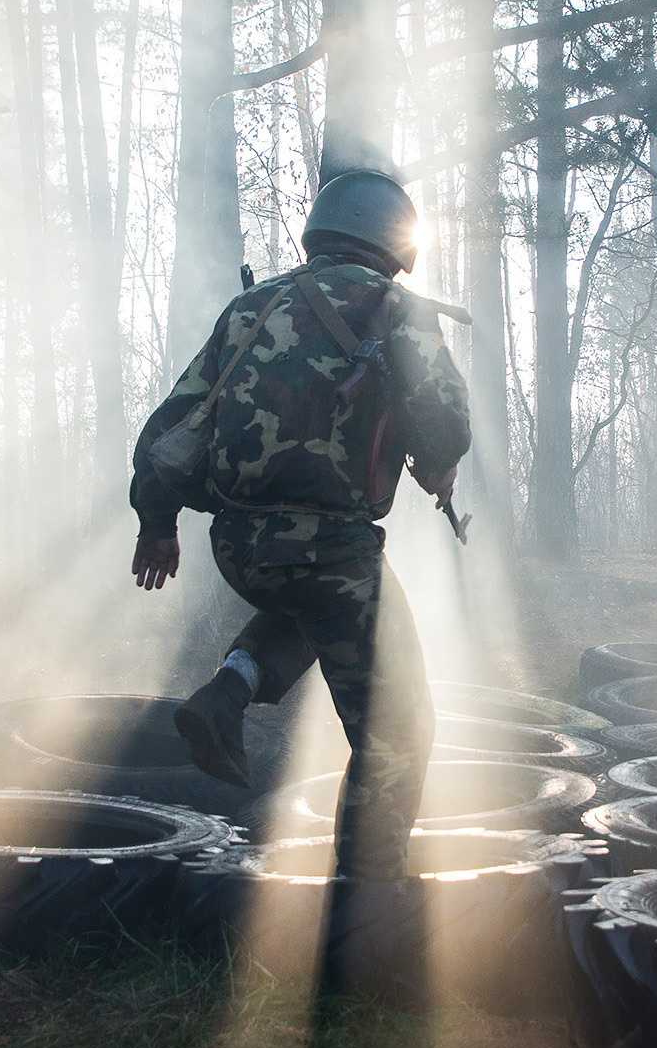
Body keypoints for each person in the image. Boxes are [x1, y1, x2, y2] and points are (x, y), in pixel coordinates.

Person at [128, 170, 470, 883]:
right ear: (392, 240)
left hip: (237, 544)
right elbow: (444, 421)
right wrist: (436, 462)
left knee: (309, 604)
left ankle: (226, 693)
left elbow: (170, 424)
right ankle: (369, 902)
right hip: (328, 549)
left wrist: (156, 524)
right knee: (400, 730)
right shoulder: (398, 309)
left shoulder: (251, 307)